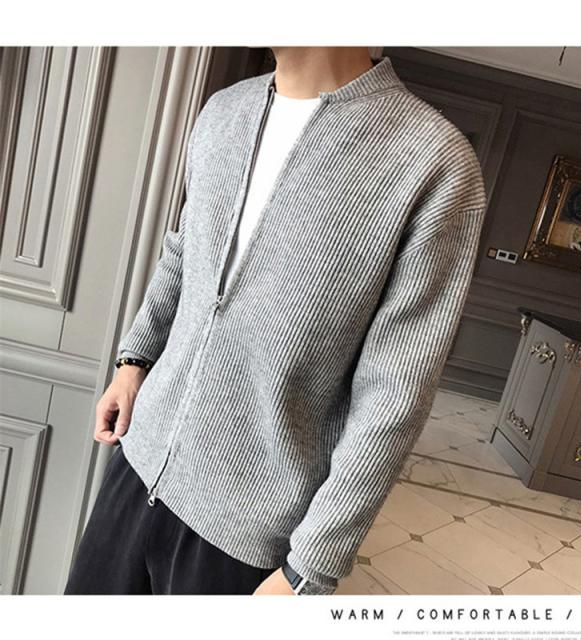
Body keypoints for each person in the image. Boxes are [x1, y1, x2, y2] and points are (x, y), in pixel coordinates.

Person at [64, 46, 487, 596]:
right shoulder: (223, 111)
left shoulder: (434, 159)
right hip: (137, 463)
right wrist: (133, 361)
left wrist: (310, 567)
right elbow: (184, 252)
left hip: (245, 532)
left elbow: (397, 390)